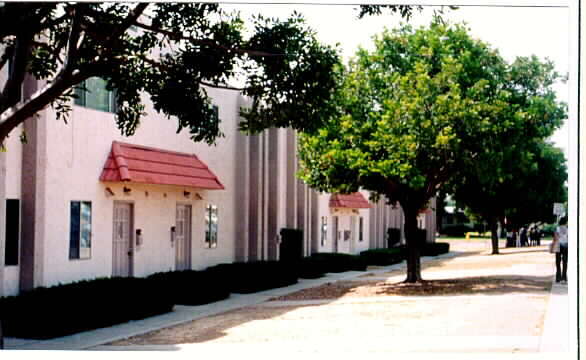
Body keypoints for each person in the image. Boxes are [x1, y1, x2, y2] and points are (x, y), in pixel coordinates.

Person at [553, 216, 568, 283]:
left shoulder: (557, 228)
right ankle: (564, 277)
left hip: (558, 245)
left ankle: (558, 277)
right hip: (565, 245)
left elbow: (555, 237)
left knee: (558, 262)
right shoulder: (567, 229)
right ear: (565, 222)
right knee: (565, 262)